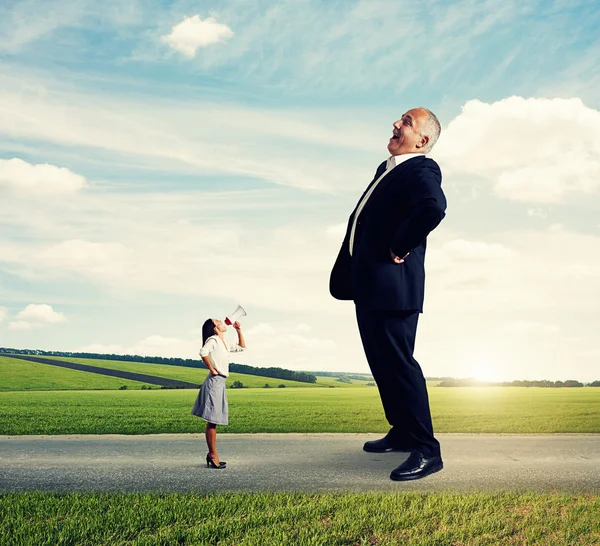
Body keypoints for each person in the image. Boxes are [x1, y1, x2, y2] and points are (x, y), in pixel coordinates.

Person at [329, 107, 446, 481]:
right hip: (370, 286)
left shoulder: (421, 169)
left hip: (394, 287)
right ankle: (401, 431)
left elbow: (434, 208)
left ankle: (427, 450)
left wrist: (402, 244)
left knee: (399, 365)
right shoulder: (388, 169)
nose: (397, 124)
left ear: (422, 141)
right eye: (399, 120)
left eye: (406, 123)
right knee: (382, 365)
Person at [191, 317, 246, 469]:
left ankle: (212, 454)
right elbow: (203, 352)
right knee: (212, 421)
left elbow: (242, 347)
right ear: (215, 328)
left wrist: (238, 330)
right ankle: (213, 455)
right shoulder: (213, 340)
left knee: (214, 420)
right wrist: (211, 368)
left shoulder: (224, 343)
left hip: (220, 383)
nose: (222, 322)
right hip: (215, 382)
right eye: (218, 322)